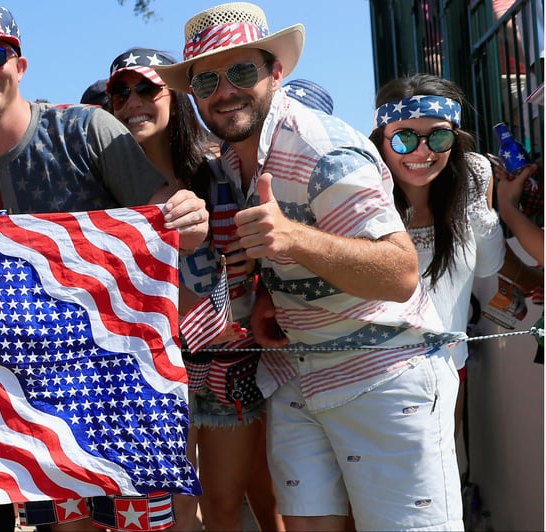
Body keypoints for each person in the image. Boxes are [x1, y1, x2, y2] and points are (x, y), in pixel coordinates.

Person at [152, 3, 459, 530]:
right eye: (206, 80)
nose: (224, 91)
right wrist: (270, 294)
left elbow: (400, 272)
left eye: (241, 71)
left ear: (276, 72)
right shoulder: (234, 158)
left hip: (382, 378)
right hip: (297, 375)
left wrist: (294, 238)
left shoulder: (322, 150)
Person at [0, 4, 207, 530]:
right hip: (37, 399)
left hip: (125, 384)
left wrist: (190, 219)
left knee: (157, 526)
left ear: (20, 65)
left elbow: (170, 226)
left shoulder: (87, 129)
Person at [108, 46, 281, 532]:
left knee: (226, 504)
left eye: (147, 88)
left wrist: (251, 262)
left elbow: (262, 253)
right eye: (120, 93)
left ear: (176, 97)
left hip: (228, 364)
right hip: (151, 373)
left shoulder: (221, 173)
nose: (133, 101)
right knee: (175, 511)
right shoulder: (106, 190)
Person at [370, 74, 507, 434]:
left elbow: (489, 265)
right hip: (376, 379)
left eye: (439, 137)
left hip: (448, 369)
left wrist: (480, 195)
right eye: (404, 138)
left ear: (455, 140)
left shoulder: (470, 179)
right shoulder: (362, 194)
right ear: (380, 141)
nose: (422, 152)